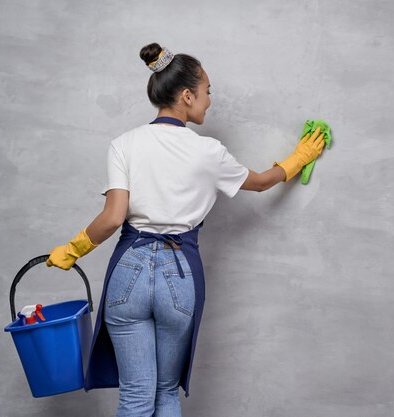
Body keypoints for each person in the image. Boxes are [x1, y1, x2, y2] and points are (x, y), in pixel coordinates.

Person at [46, 42, 324, 417]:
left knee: (134, 397)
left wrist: (73, 249)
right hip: (178, 277)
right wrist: (299, 157)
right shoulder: (209, 151)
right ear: (188, 94)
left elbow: (113, 217)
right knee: (165, 394)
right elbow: (259, 183)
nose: (209, 101)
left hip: (128, 271)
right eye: (207, 91)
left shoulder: (124, 145)